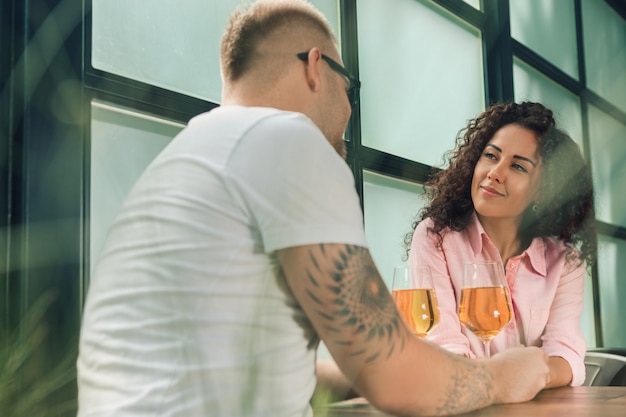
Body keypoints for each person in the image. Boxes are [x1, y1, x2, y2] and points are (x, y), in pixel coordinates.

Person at [76, 1, 551, 416]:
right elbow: (394, 377)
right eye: (350, 88)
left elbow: (246, 369)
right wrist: (503, 376)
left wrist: (369, 372)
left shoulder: (188, 155)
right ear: (315, 67)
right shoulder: (287, 139)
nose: (349, 107)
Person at [406, 101, 596, 388]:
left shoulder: (565, 261)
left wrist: (537, 375)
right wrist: (509, 379)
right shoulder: (436, 238)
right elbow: (444, 348)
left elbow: (566, 353)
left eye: (518, 166)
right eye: (491, 156)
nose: (495, 172)